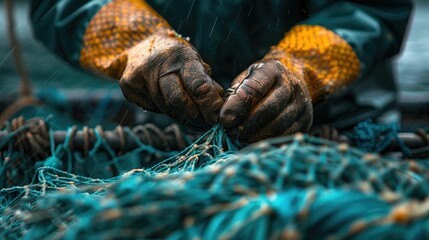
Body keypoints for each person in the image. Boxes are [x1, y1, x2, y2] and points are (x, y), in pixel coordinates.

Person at [30, 0, 412, 143]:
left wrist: (300, 70)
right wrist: (141, 45)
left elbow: (372, 8)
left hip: (342, 131)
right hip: (171, 135)